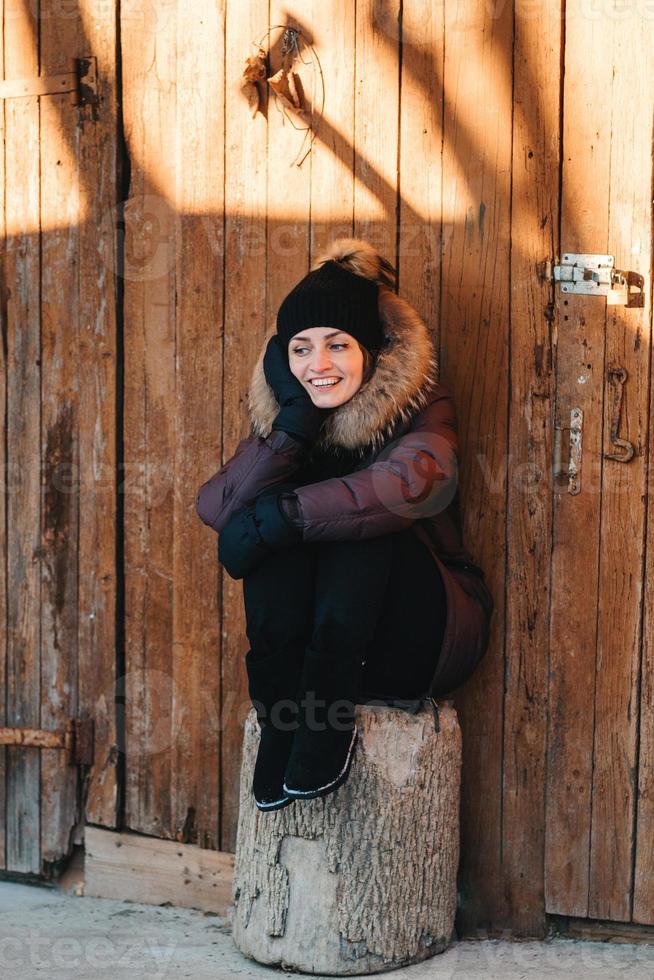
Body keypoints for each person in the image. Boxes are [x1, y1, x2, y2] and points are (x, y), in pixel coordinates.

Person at [196, 238, 493, 812]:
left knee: (352, 523)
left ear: (373, 351)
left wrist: (285, 516)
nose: (319, 365)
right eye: (301, 349)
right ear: (283, 358)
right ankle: (280, 715)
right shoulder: (289, 413)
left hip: (423, 635)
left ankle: (327, 725)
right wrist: (294, 426)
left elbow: (410, 484)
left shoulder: (421, 406)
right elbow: (218, 506)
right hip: (315, 643)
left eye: (338, 345)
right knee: (272, 530)